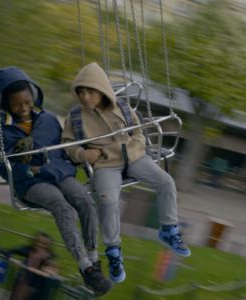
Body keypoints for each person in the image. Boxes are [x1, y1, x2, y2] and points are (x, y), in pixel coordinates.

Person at [61, 62, 191, 283]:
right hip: (105, 164)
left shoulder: (122, 107)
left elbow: (138, 131)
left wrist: (136, 145)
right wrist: (84, 156)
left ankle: (168, 229)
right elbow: (67, 145)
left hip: (135, 157)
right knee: (109, 200)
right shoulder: (75, 116)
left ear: (101, 90)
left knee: (166, 182)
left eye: (89, 91)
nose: (84, 97)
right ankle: (113, 251)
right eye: (80, 91)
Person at [0, 67, 112, 296]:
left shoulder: (48, 119)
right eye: (17, 105)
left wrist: (81, 156)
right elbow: (3, 167)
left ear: (33, 97)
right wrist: (28, 170)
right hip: (31, 182)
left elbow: (64, 148)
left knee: (84, 201)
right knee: (62, 207)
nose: (24, 109)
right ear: (6, 105)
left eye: (27, 102)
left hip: (58, 173)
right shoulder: (1, 131)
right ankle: (85, 266)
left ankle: (94, 261)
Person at [6, 232, 56, 300]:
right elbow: (8, 251)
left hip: (38, 289)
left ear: (47, 245)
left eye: (43, 244)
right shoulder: (29, 250)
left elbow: (52, 271)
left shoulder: (49, 256)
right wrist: (12, 259)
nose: (39, 245)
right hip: (22, 283)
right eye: (37, 242)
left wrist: (47, 270)